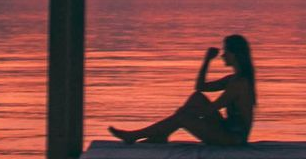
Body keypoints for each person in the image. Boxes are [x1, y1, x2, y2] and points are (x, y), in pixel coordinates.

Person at [108, 35, 256, 146]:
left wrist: (184, 114)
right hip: (226, 129)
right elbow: (200, 87)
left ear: (235, 54)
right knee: (196, 97)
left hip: (234, 140)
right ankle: (161, 135)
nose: (222, 55)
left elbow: (210, 110)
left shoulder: (240, 83)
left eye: (226, 51)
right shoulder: (233, 79)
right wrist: (207, 61)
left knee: (182, 117)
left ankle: (135, 136)